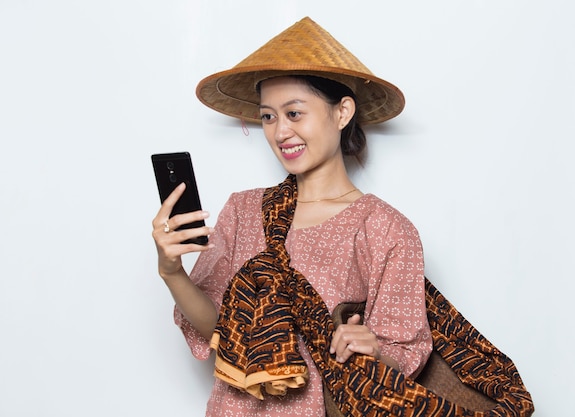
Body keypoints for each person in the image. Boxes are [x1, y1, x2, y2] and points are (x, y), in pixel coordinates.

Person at [152, 17, 433, 417]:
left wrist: (371, 344)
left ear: (343, 112)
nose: (281, 132)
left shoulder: (385, 228)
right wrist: (172, 271)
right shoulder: (244, 210)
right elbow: (216, 327)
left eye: (295, 113)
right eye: (268, 117)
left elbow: (405, 353)